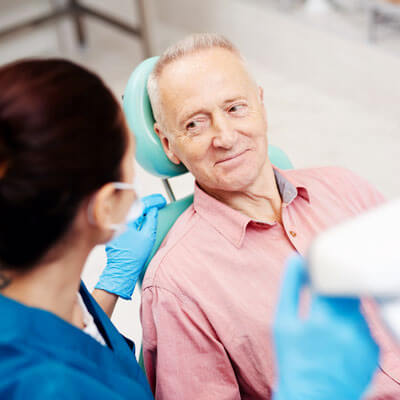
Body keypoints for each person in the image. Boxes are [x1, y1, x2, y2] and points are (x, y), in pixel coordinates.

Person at [130, 33, 400, 399]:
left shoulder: (345, 187)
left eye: (235, 107)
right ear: (168, 144)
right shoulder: (177, 287)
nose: (224, 136)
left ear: (260, 104)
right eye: (195, 123)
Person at [0, 58, 165, 399]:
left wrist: (111, 285)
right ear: (106, 206)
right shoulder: (48, 388)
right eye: (129, 164)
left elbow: (65, 342)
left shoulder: (41, 269)